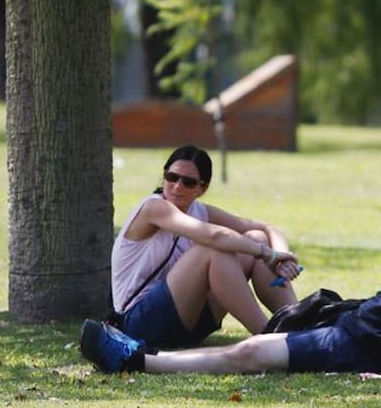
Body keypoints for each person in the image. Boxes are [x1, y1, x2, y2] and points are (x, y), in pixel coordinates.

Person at [80, 156, 381, 387]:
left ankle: (136, 360)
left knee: (251, 353)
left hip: (363, 339)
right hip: (365, 324)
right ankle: (146, 354)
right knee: (281, 330)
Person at [105, 144, 302, 351]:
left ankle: (298, 322)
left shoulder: (199, 211)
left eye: (188, 182)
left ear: (202, 189)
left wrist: (282, 257)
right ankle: (270, 339)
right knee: (212, 250)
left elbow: (267, 228)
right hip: (138, 325)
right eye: (172, 177)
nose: (177, 186)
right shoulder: (154, 208)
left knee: (256, 237)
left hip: (187, 322)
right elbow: (215, 236)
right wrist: (267, 254)